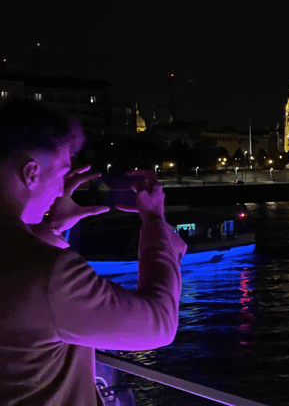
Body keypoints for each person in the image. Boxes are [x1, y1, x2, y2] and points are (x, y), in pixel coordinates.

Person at [0, 99, 187, 405]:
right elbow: (160, 325)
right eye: (60, 173)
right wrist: (154, 222)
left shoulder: (24, 260)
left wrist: (53, 227)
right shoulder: (51, 273)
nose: (62, 190)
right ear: (31, 174)